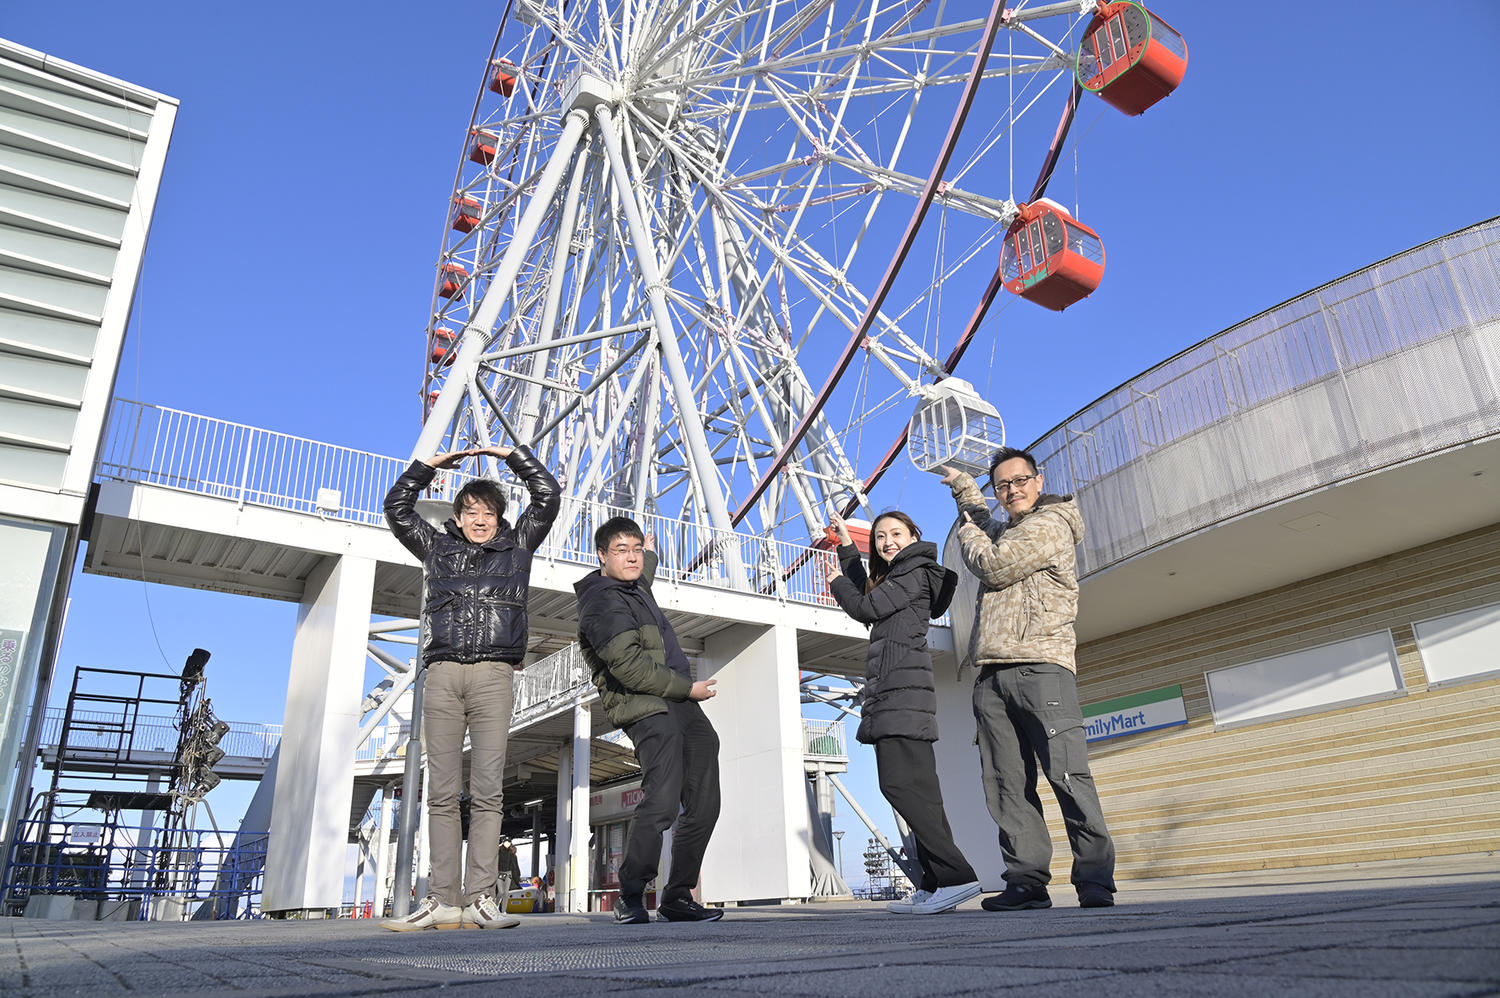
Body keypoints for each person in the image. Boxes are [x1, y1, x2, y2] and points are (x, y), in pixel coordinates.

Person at [380, 444, 560, 930]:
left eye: (488, 511)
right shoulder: (436, 548)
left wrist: (511, 454)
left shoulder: (518, 547)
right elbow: (396, 507)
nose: (479, 518)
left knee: (486, 790)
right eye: (470, 511)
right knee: (441, 791)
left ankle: (480, 898)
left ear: (500, 517)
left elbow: (548, 495)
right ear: (457, 517)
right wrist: (429, 467)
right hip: (442, 673)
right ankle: (443, 900)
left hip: (494, 675)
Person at [941, 446, 1117, 911]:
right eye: (1003, 485)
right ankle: (1026, 881)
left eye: (1020, 481)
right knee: (1005, 782)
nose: (1012, 490)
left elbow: (995, 565)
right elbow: (989, 525)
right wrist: (965, 488)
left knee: (1067, 773)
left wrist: (968, 535)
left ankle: (1095, 879)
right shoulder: (1012, 527)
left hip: (1041, 665)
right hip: (993, 671)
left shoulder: (1051, 523)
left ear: (1038, 482)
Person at [824, 511, 981, 916]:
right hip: (900, 694)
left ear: (914, 534)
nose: (886, 541)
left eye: (895, 533)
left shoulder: (913, 572)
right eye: (879, 538)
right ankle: (934, 884)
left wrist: (835, 582)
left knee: (900, 787)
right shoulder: (902, 576)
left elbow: (864, 607)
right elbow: (871, 593)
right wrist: (846, 545)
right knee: (922, 796)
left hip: (901, 694)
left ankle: (957, 876)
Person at [575, 516, 724, 924]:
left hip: (679, 703)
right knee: (661, 801)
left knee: (706, 802)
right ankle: (631, 894)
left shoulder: (635, 585)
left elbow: (645, 570)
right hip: (645, 704)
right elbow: (628, 668)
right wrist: (688, 689)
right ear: (601, 556)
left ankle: (677, 896)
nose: (632, 557)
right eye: (621, 550)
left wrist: (650, 552)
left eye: (636, 550)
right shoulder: (602, 602)